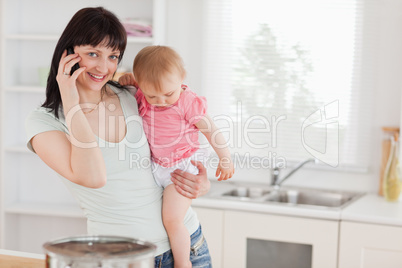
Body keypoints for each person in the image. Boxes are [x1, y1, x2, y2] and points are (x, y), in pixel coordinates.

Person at [25, 7, 212, 268]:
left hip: (187, 246)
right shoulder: (45, 122)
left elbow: (179, 132)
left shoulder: (130, 95)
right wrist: (71, 103)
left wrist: (199, 183)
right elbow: (94, 177)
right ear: (67, 53)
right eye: (93, 53)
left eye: (113, 56)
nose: (104, 67)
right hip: (122, 259)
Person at [118, 46, 234, 268]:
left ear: (182, 79)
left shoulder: (187, 101)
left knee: (172, 220)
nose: (161, 101)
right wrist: (130, 80)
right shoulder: (145, 89)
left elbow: (211, 130)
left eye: (168, 94)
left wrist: (225, 158)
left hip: (182, 166)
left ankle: (183, 263)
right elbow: (137, 82)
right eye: (152, 95)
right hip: (157, 166)